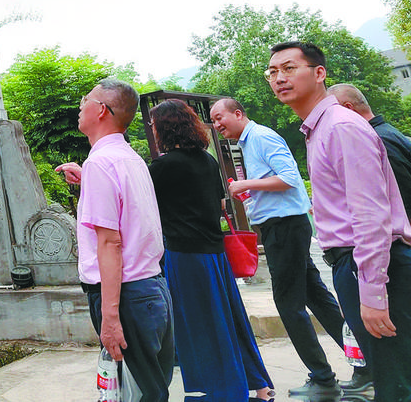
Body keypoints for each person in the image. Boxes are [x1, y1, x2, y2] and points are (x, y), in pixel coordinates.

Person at [267, 41, 411, 402]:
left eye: (288, 68)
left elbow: (372, 216)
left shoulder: (340, 127)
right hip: (357, 264)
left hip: (376, 266)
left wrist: (374, 291)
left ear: (319, 73)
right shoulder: (320, 128)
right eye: (272, 72)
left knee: (396, 382)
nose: (279, 78)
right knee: (390, 376)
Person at [210, 98, 359, 399]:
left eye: (219, 117)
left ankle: (322, 377)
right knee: (317, 298)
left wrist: (245, 185)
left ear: (238, 113)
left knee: (289, 305)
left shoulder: (261, 137)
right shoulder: (248, 142)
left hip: (286, 228)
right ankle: (364, 362)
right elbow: (275, 180)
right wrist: (252, 191)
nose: (217, 125)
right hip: (283, 225)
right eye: (213, 121)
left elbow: (290, 179)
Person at [55, 78, 174, 401]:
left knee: (139, 393)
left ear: (102, 111)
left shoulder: (101, 163)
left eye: (86, 100)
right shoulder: (128, 158)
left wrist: (110, 317)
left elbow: (111, 243)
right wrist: (88, 183)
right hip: (151, 288)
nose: (81, 105)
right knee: (150, 388)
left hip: (126, 296)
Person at [149, 98, 274, 401]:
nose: (152, 131)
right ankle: (259, 385)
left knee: (199, 324)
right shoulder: (208, 160)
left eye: (154, 126)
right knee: (229, 318)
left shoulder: (164, 166)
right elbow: (220, 205)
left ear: (165, 128)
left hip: (185, 254)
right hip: (215, 253)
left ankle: (221, 392)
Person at [327, 83, 411, 219]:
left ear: (348, 108)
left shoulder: (377, 140)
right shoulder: (386, 132)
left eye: (330, 114)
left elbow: (404, 195)